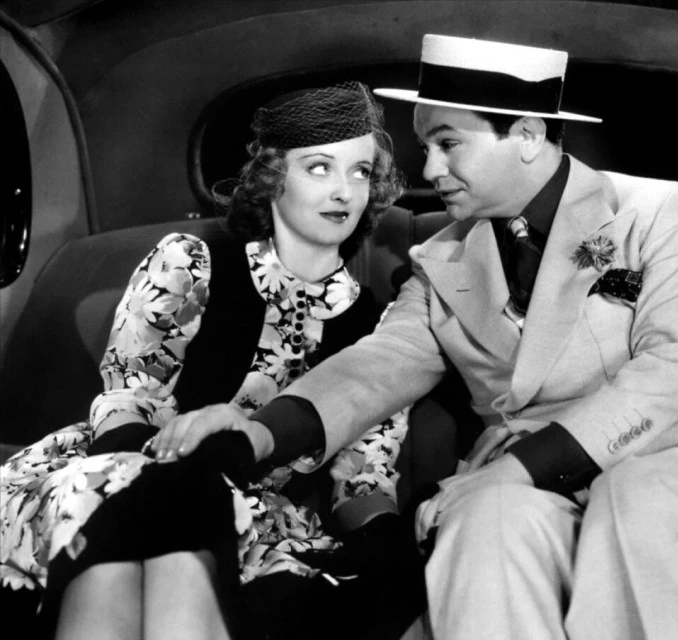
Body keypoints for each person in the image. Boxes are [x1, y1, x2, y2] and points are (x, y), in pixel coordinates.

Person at [165, 35, 678, 639]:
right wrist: (257, 431)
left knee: (638, 498)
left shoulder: (660, 211)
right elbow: (379, 364)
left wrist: (521, 468)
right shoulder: (442, 258)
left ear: (526, 135)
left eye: (448, 144)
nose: (430, 170)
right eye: (426, 148)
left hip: (668, 456)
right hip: (513, 483)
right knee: (484, 516)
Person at [0, 81, 424, 639]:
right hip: (123, 461)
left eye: (361, 172)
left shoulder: (379, 329)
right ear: (273, 176)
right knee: (130, 518)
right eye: (319, 168)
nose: (344, 191)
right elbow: (129, 395)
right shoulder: (191, 261)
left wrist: (392, 552)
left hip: (254, 517)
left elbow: (363, 476)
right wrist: (153, 483)